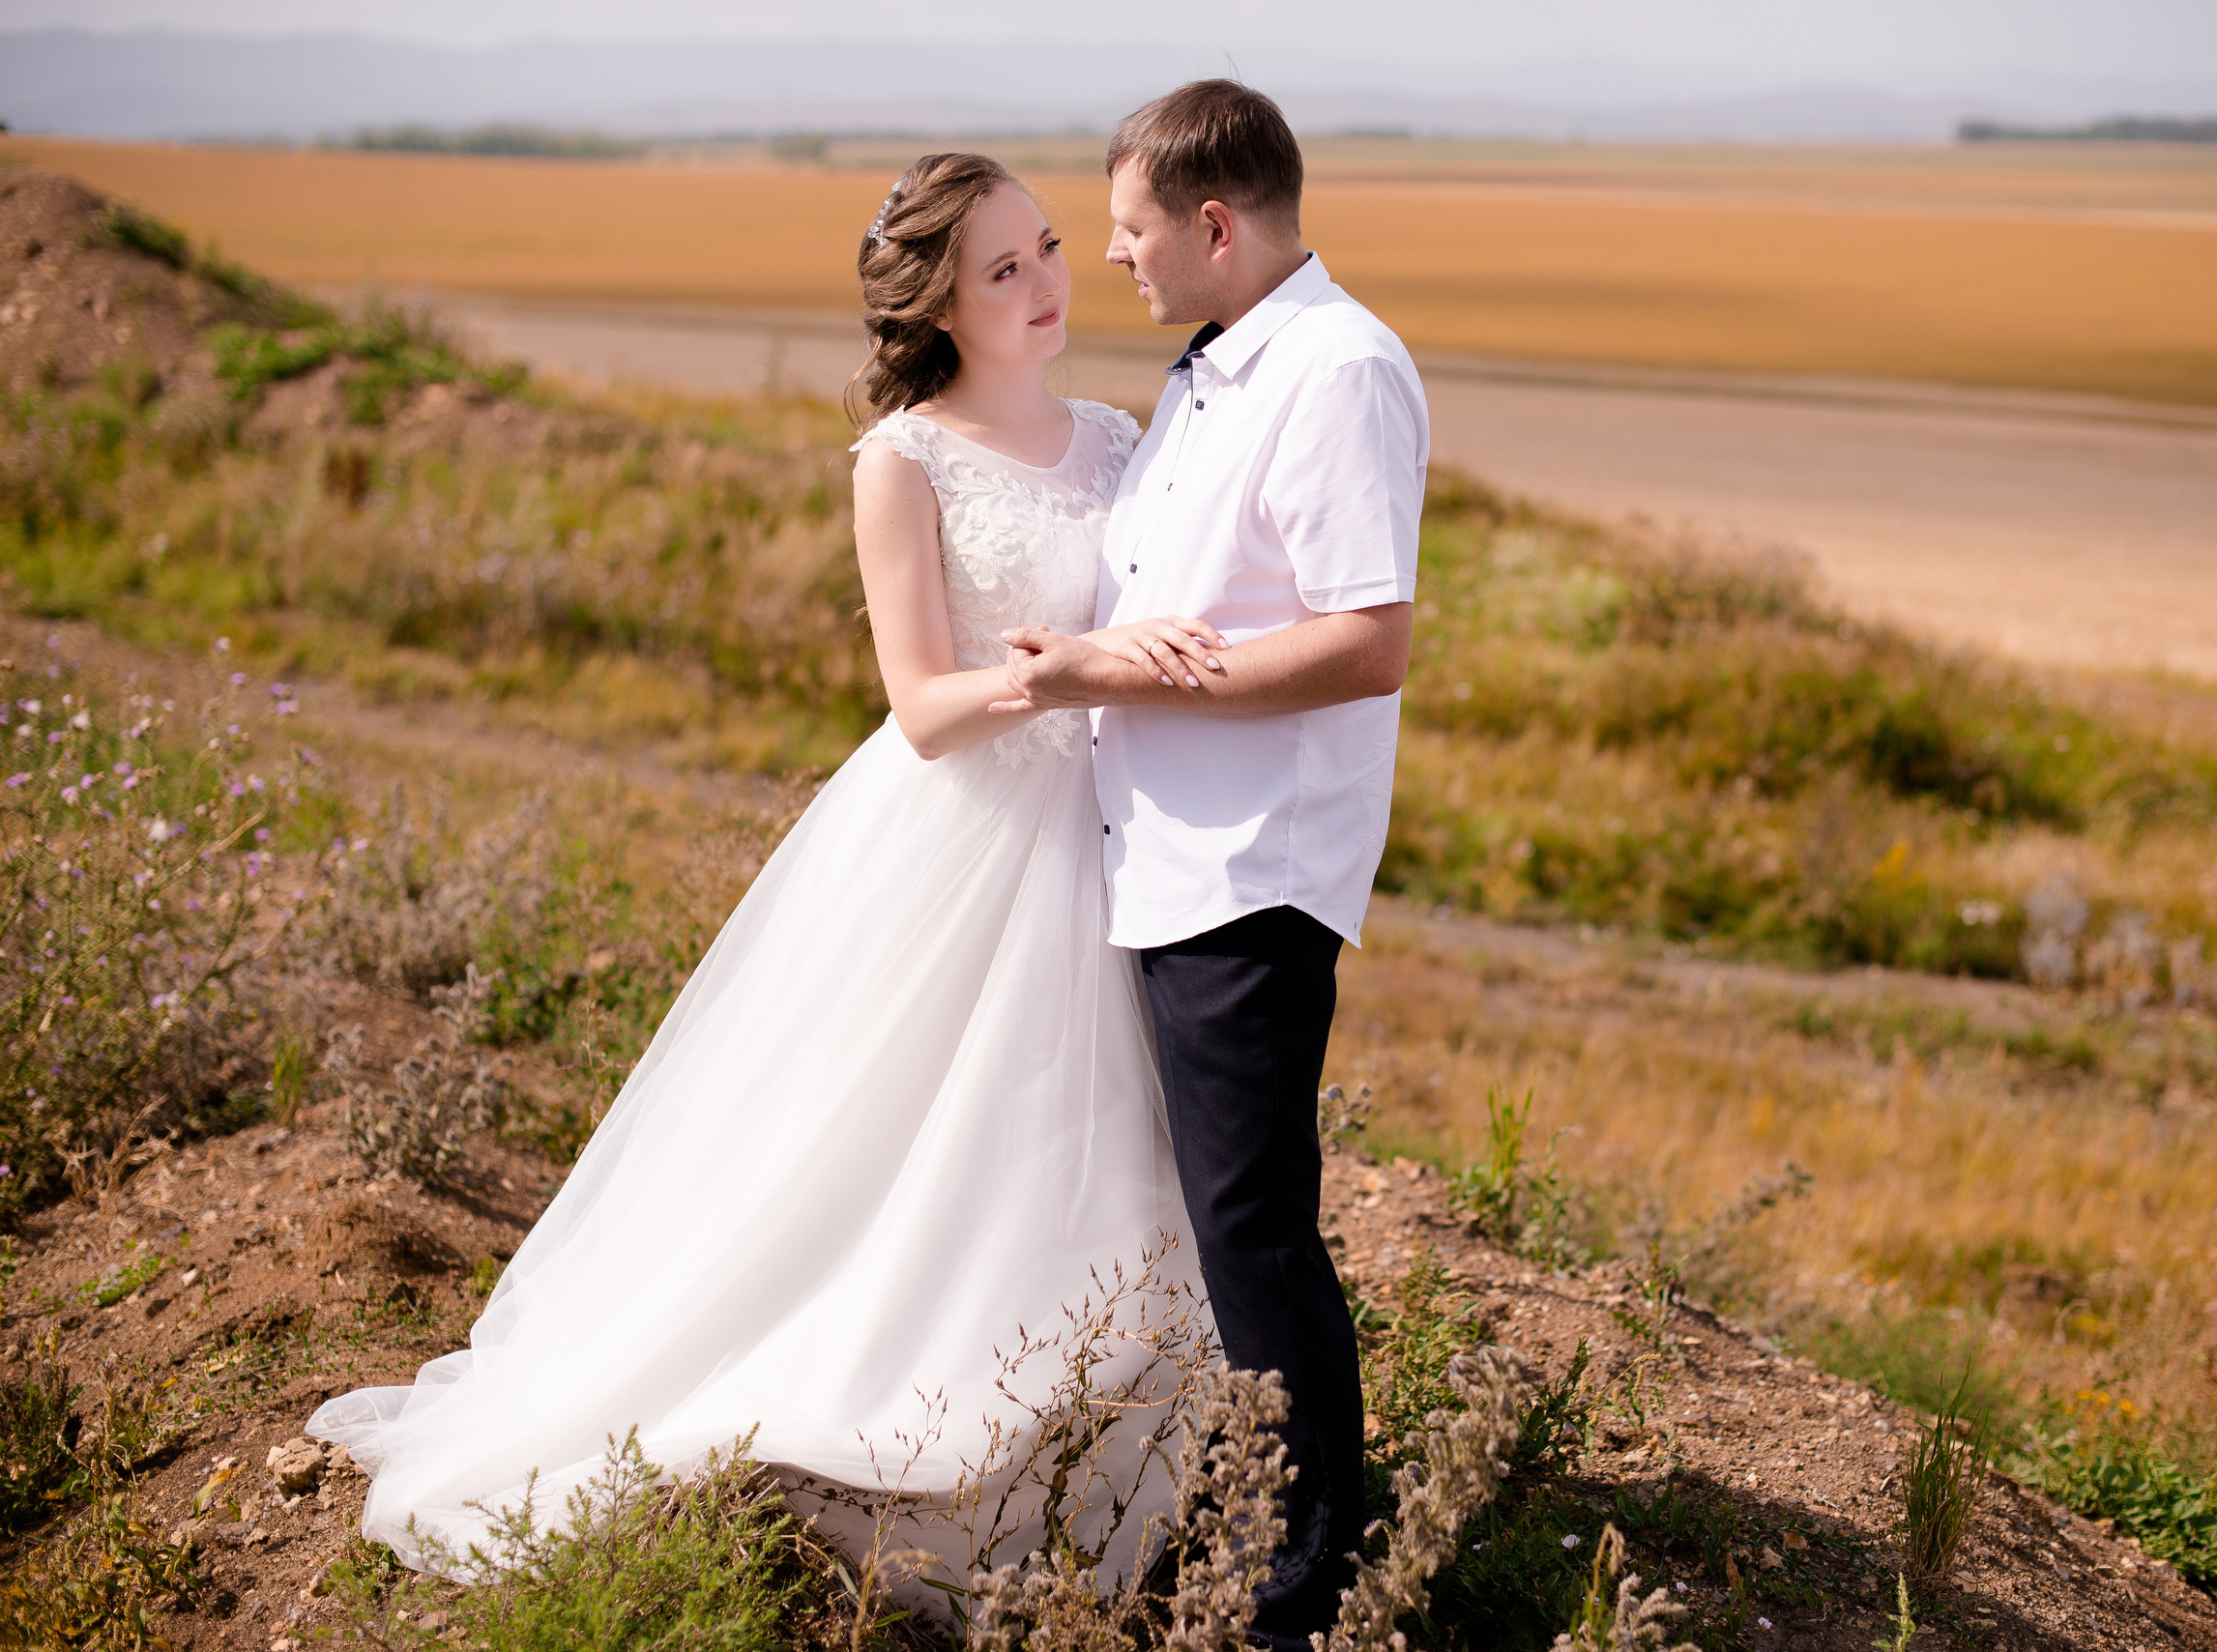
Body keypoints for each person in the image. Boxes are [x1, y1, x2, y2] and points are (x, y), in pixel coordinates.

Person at [306, 150, 1233, 1602]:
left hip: (1115, 834)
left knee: (1109, 1139)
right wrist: (1075, 675)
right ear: (937, 301)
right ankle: (924, 1420)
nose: (1048, 284)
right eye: (1005, 268)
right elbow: (923, 707)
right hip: (969, 840)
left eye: (1052, 248)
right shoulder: (905, 461)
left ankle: (1102, 1426)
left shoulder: (1120, 438)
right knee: (918, 1145)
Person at [996, 79, 1431, 1644]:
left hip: (1250, 874)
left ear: (1216, 224)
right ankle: (1224, 1519)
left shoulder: (1336, 371)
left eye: (1126, 229)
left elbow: (1365, 642)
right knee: (1208, 1220)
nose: (1110, 258)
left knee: (1254, 1231)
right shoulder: (1211, 371)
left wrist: (1110, 674)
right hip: (1164, 858)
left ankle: (1297, 1594)